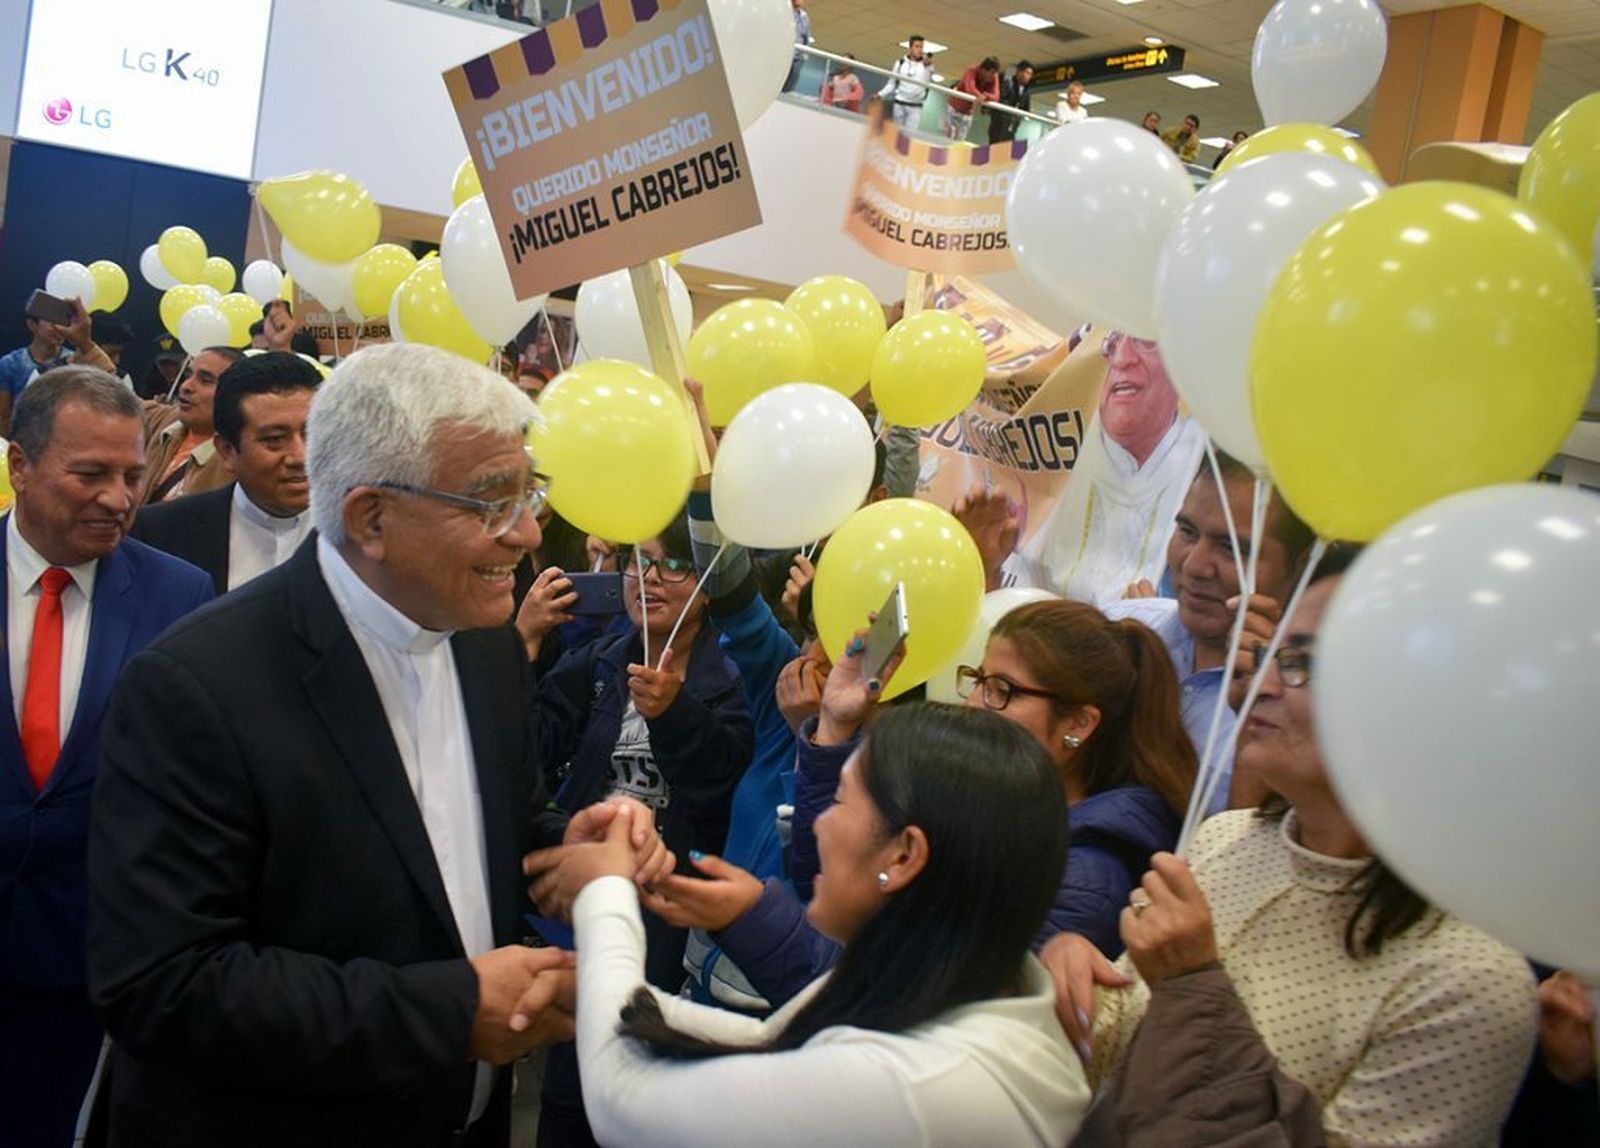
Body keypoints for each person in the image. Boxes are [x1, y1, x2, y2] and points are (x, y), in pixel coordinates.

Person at [87, 343, 671, 1147]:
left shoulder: (486, 642)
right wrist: (451, 1013)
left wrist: (555, 852)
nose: (528, 532)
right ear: (370, 518)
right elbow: (163, 985)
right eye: (491, 501)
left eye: (529, 492)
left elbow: (468, 827)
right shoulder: (195, 686)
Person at [1047, 562, 1539, 1146]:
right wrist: (1074, 981)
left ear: (1421, 703)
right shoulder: (1228, 839)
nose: (1264, 685)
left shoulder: (1470, 981)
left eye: (1303, 664)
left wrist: (1193, 984)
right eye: (1271, 658)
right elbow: (1121, 1069)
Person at [532, 703, 1090, 1147]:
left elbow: (621, 1101)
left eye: (842, 801)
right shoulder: (963, 970)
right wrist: (601, 991)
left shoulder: (917, 1088)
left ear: (903, 857)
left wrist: (603, 889)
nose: (817, 824)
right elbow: (771, 1043)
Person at [0, 368, 212, 1147]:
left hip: (89, 956)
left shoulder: (181, 597)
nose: (120, 499)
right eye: (90, 474)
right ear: (20, 465)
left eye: (131, 475)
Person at [959, 601, 1197, 955]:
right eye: (979, 680)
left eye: (1003, 690)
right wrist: (842, 726)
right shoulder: (1009, 805)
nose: (974, 705)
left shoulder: (1084, 882)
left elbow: (968, 996)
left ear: (1078, 724)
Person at [959, 332, 1207, 610]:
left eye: (1144, 342)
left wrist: (1152, 634)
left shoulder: (1201, 481)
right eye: (1112, 345)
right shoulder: (1058, 494)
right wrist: (984, 568)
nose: (1122, 358)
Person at [128, 351, 320, 594]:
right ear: (227, 451)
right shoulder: (159, 534)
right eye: (274, 440)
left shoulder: (366, 529)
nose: (300, 456)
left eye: (313, 433)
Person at [139, 345, 243, 504]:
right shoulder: (163, 419)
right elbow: (107, 398)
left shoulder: (239, 460)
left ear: (237, 395)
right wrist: (87, 347)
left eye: (205, 380)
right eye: (188, 375)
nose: (186, 386)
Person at [0, 298, 117, 436]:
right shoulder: (10, 363)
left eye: (63, 322)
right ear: (32, 325)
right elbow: (3, 415)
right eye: (52, 322)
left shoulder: (76, 360)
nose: (59, 328)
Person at [879, 36, 934, 132]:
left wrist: (929, 67)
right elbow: (891, 84)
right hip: (899, 104)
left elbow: (928, 83)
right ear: (910, 48)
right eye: (917, 46)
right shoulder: (900, 63)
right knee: (896, 134)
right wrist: (880, 94)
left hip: (915, 107)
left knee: (910, 137)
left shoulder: (927, 65)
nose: (920, 50)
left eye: (921, 47)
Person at [946, 57, 1001, 142]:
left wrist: (986, 96)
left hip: (968, 115)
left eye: (994, 73)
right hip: (954, 110)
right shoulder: (971, 71)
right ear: (983, 69)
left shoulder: (994, 76)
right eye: (991, 73)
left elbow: (996, 96)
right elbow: (970, 89)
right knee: (948, 141)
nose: (992, 77)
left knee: (959, 144)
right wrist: (981, 96)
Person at [988, 61, 1035, 144]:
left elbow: (1025, 108)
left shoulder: (1027, 91)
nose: (1028, 76)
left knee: (1008, 145)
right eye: (1027, 73)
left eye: (1030, 74)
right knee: (996, 145)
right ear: (1019, 72)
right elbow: (1001, 100)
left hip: (1013, 125)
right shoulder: (1007, 83)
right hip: (1000, 122)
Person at [88, 313, 135, 389]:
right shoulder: (63, 370)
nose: (117, 361)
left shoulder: (121, 380)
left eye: (119, 353)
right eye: (110, 353)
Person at [782, 0, 812, 94]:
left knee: (793, 77)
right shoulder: (785, 12)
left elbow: (806, 35)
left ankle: (786, 94)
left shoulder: (804, 16)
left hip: (798, 54)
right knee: (781, 76)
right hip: (785, 51)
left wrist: (805, 53)